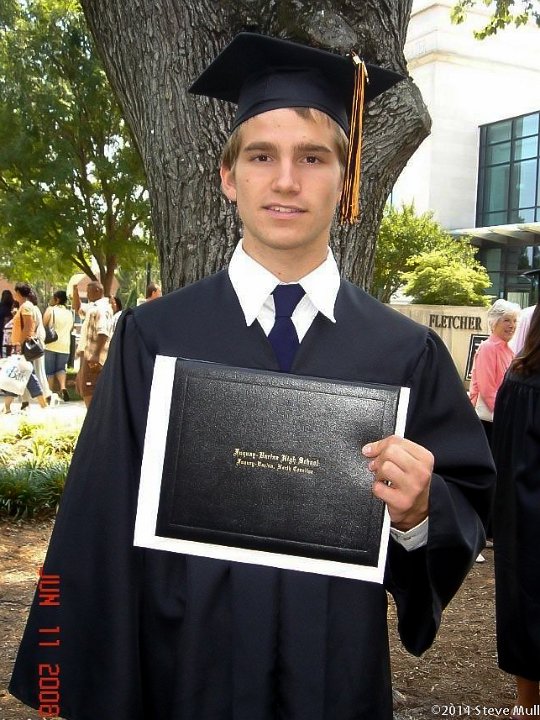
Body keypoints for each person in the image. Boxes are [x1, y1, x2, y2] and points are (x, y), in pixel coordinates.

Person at [10, 33, 494, 720]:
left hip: (333, 675)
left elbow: (467, 502)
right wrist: (73, 683)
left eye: (313, 157)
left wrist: (421, 514)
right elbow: (96, 528)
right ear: (229, 177)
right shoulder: (155, 338)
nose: (287, 180)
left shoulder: (403, 353)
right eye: (262, 155)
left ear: (345, 178)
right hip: (184, 671)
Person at [492, 303, 540, 717]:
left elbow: (501, 454)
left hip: (521, 518)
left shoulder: (517, 378)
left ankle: (527, 701)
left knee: (525, 602)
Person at [469, 299, 520, 445]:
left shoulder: (508, 350)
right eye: (506, 320)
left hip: (500, 415)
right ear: (494, 323)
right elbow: (487, 389)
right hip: (489, 419)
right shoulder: (489, 348)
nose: (512, 325)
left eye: (514, 321)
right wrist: (504, 415)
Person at [2, 283, 47, 413]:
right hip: (20, 346)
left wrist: (21, 344)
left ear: (18, 293)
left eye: (15, 292)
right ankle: (7, 406)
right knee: (16, 374)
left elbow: (29, 326)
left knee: (26, 375)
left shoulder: (26, 307)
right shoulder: (24, 306)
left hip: (22, 347)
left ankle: (43, 403)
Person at [74, 280, 112, 408]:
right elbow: (78, 308)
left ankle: (94, 417)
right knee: (84, 387)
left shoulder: (101, 309)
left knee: (90, 389)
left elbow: (103, 332)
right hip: (87, 354)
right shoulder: (93, 307)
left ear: (98, 291)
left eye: (89, 291)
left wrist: (96, 354)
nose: (87, 294)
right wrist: (75, 290)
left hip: (93, 356)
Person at [43, 290, 75, 402]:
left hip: (51, 344)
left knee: (49, 371)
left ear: (57, 299)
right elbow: (71, 328)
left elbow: (44, 324)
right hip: (65, 345)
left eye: (53, 298)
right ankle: (63, 387)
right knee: (61, 368)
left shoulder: (51, 310)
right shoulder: (69, 313)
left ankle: (49, 394)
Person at [0, 289, 14, 357]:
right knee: (9, 350)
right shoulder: (12, 307)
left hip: (1, 330)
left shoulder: (1, 306)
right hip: (10, 331)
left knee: (2, 351)